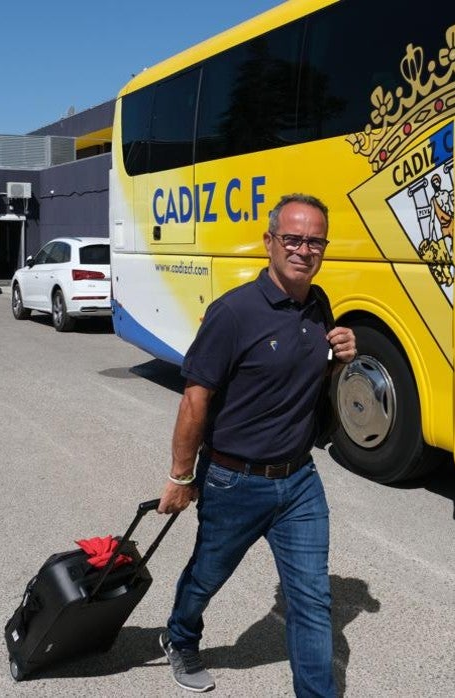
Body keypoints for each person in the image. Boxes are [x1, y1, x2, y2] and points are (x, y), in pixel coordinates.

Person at [156, 193, 357, 696]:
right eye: (292, 238)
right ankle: (180, 636)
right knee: (207, 575)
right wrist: (181, 477)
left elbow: (309, 374)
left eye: (314, 241)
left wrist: (341, 356)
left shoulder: (319, 303)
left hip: (299, 482)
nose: (303, 250)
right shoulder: (233, 313)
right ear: (269, 242)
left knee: (312, 599)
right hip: (233, 480)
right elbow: (194, 400)